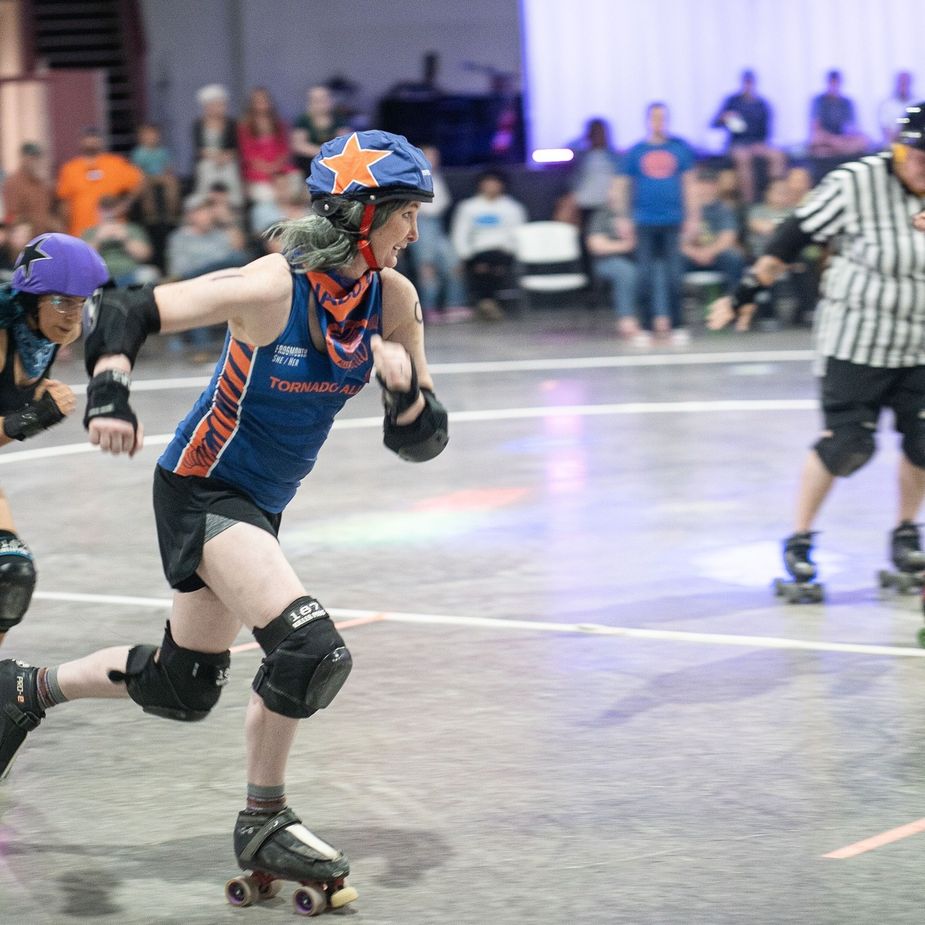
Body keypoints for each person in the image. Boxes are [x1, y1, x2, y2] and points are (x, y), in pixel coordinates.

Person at [0, 131, 448, 905]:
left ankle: (23, 689)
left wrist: (406, 395)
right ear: (357, 214)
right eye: (404, 213)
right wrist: (109, 393)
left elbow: (421, 443)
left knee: (184, 685)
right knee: (309, 649)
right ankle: (264, 818)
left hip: (257, 504)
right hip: (203, 487)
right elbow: (124, 312)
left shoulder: (395, 301)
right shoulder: (274, 286)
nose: (414, 230)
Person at [707, 102, 925, 598]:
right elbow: (793, 234)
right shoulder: (857, 183)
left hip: (920, 341)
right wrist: (744, 292)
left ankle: (906, 533)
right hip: (857, 338)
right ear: (898, 146)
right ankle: (800, 541)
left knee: (923, 441)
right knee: (847, 444)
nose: (920, 163)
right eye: (914, 152)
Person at [0, 232, 108, 647]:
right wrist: (29, 418)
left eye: (80, 303)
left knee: (10, 576)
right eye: (62, 301)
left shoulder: (42, 338)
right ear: (32, 300)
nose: (72, 316)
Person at [616, 101, 698, 344]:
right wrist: (623, 217)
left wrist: (693, 217)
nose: (658, 122)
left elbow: (689, 185)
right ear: (648, 120)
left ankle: (677, 324)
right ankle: (646, 325)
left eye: (662, 118)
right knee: (645, 276)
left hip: (673, 221)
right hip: (644, 221)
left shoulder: (679, 150)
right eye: (654, 118)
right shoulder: (636, 152)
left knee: (674, 275)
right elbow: (621, 186)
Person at [450, 169, 527, 321]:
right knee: (484, 265)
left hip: (503, 251)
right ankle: (490, 304)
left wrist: (512, 250)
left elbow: (518, 234)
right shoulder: (468, 207)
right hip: (477, 252)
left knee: (489, 265)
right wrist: (464, 255)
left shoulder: (512, 208)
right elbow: (460, 234)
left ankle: (485, 302)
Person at [710, 70, 787, 204]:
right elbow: (714, 124)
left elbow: (767, 131)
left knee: (777, 155)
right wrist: (724, 118)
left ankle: (776, 197)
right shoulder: (732, 101)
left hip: (758, 143)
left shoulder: (762, 104)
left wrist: (760, 145)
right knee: (743, 158)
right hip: (737, 144)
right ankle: (749, 203)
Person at [412, 144, 468, 324]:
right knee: (427, 269)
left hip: (438, 226)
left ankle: (454, 303)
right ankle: (429, 307)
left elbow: (442, 203)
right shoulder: (410, 178)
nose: (432, 160)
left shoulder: (437, 177)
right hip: (420, 225)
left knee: (454, 264)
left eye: (434, 156)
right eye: (428, 156)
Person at [55, 127, 143, 238]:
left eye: (95, 137)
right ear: (81, 141)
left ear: (101, 141)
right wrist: (64, 229)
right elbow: (64, 203)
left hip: (112, 233)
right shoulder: (70, 169)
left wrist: (125, 205)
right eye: (88, 137)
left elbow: (139, 180)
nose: (91, 141)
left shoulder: (115, 163)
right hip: (81, 233)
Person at [585, 180, 639, 341]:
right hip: (608, 261)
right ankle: (626, 319)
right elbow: (596, 245)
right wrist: (626, 245)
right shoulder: (603, 214)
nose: (616, 194)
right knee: (625, 271)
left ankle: (660, 318)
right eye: (613, 190)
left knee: (658, 268)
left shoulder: (638, 213)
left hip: (640, 259)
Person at [237, 86, 298, 203]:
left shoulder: (280, 124)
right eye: (258, 101)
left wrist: (276, 169)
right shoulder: (244, 127)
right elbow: (247, 155)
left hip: (281, 170)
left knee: (295, 186)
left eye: (264, 100)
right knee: (266, 195)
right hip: (257, 173)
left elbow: (285, 150)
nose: (262, 104)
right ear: (252, 104)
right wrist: (268, 170)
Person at [81, 195, 156, 287]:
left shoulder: (132, 228)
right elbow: (83, 259)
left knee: (149, 274)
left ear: (119, 209)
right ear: (98, 211)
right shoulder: (90, 232)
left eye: (112, 208)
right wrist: (98, 240)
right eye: (105, 209)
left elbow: (145, 256)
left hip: (129, 271)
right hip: (100, 275)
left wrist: (126, 239)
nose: (109, 213)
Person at [192, 84, 244, 208]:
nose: (219, 108)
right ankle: (205, 203)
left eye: (221, 104)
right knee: (206, 168)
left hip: (228, 159)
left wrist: (225, 157)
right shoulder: (198, 124)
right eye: (214, 104)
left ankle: (234, 204)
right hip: (208, 159)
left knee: (230, 170)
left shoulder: (232, 123)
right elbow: (199, 148)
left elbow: (236, 147)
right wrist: (215, 157)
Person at [290, 85, 350, 177]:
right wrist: (322, 153)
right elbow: (298, 145)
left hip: (335, 163)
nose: (321, 104)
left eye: (324, 99)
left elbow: (345, 142)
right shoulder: (303, 120)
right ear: (310, 102)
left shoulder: (339, 119)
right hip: (309, 164)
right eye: (316, 100)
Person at [808, 70, 869, 158]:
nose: (834, 86)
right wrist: (833, 140)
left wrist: (843, 138)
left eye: (836, 82)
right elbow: (816, 128)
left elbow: (850, 127)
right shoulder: (818, 101)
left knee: (863, 140)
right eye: (832, 82)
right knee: (816, 139)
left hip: (842, 139)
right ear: (828, 83)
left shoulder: (847, 102)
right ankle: (842, 150)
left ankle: (834, 150)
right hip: (826, 138)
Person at [2, 142, 61, 234]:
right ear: (23, 159)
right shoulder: (13, 184)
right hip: (26, 238)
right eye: (31, 158)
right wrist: (43, 221)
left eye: (37, 158)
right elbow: (12, 216)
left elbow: (51, 208)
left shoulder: (42, 184)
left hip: (45, 236)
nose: (35, 161)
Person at [130, 122, 182, 224]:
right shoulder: (138, 153)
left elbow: (169, 167)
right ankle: (150, 215)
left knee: (172, 182)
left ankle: (172, 212)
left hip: (161, 176)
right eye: (148, 135)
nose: (151, 138)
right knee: (145, 186)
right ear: (141, 137)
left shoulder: (163, 151)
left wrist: (167, 173)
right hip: (147, 177)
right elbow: (136, 170)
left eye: (154, 135)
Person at [878, 71, 915, 145]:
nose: (903, 85)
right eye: (901, 82)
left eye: (906, 82)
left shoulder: (918, 103)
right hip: (894, 145)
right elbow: (886, 132)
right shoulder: (887, 105)